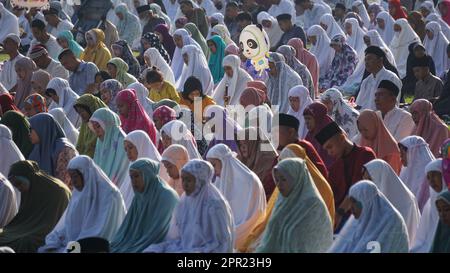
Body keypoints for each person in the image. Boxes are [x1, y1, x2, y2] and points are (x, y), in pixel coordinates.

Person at [144, 159, 235, 253]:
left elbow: (222, 244)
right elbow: (176, 237)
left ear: (200, 180)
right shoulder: (184, 202)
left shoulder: (215, 205)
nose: (185, 184)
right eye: (183, 179)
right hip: (185, 247)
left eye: (189, 180)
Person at [39, 156, 126, 253]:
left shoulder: (110, 195)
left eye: (75, 176)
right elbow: (67, 223)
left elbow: (101, 233)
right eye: (71, 177)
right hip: (77, 244)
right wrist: (56, 239)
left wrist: (75, 246)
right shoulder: (79, 194)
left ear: (86, 173)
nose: (73, 181)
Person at [256, 158, 333, 253]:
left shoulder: (313, 205)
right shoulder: (282, 202)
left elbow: (311, 244)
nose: (279, 184)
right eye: (277, 180)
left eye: (284, 179)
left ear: (297, 178)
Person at [0, 160, 71, 253]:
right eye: (15, 186)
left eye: (18, 183)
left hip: (47, 233)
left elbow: (53, 224)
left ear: (29, 177)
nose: (19, 188)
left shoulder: (58, 191)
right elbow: (23, 219)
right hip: (26, 229)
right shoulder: (31, 188)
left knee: (25, 242)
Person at [110, 158, 178, 253]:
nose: (133, 181)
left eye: (137, 176)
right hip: (138, 243)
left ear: (148, 174)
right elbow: (127, 228)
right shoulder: (140, 195)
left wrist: (133, 248)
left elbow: (157, 233)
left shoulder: (166, 196)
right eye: (131, 177)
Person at [315, 121, 376, 226]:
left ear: (342, 138)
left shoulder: (365, 154)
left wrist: (339, 214)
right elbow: (329, 193)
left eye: (330, 147)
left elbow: (357, 189)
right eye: (326, 150)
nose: (329, 153)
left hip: (362, 217)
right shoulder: (336, 166)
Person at [206, 144, 266, 249]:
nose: (212, 170)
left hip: (248, 233)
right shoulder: (219, 181)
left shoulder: (249, 181)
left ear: (224, 161)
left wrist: (228, 233)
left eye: (214, 165)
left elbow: (252, 218)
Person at [328, 180, 409, 253]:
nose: (351, 208)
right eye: (351, 203)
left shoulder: (391, 221)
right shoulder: (359, 219)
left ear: (366, 202)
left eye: (354, 202)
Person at [363, 159, 420, 245]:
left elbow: (407, 236)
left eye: (370, 180)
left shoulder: (406, 202)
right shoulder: (373, 200)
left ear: (381, 178)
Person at [28, 113, 77, 186]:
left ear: (42, 128)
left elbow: (63, 184)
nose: (29, 133)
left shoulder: (65, 150)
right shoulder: (37, 149)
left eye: (31, 129)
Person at [411, 159, 448, 252]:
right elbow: (421, 239)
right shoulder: (430, 203)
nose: (431, 181)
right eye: (428, 177)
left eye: (435, 175)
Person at [236, 127, 278, 199]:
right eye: (240, 144)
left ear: (255, 143)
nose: (242, 147)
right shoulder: (242, 162)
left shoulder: (270, 162)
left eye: (246, 143)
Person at [356, 110, 402, 174]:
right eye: (360, 130)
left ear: (374, 126)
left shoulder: (391, 150)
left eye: (366, 130)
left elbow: (392, 176)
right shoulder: (364, 143)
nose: (363, 134)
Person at [357, 46, 402, 110]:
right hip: (365, 117)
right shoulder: (366, 81)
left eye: (369, 59)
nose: (366, 62)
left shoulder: (391, 78)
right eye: (365, 60)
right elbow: (359, 104)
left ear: (380, 60)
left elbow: (393, 104)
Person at [398, 136, 435, 211]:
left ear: (412, 153)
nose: (400, 157)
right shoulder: (405, 171)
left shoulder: (429, 173)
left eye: (402, 154)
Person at [303, 102, 334, 168]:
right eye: (305, 119)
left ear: (318, 118)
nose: (306, 122)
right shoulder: (311, 134)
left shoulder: (330, 134)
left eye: (309, 118)